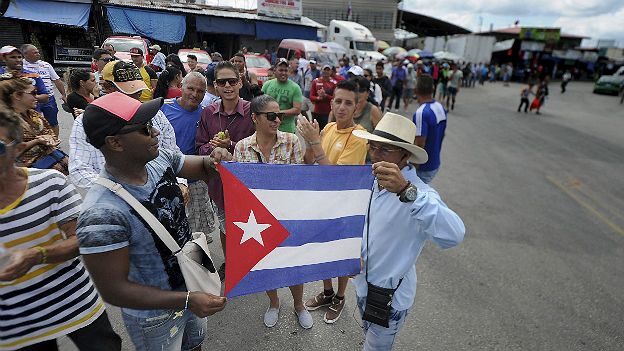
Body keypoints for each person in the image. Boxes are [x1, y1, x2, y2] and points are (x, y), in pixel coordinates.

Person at [75, 92, 229, 351]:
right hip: (155, 318)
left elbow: (202, 167)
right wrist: (187, 300)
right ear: (115, 143)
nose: (156, 132)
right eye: (145, 128)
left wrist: (216, 159)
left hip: (192, 287)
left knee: (195, 346)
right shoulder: (100, 214)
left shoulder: (159, 159)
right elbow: (115, 290)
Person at [0, 109, 122, 350]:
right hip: (16, 326)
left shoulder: (49, 183)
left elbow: (82, 237)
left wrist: (39, 255)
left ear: (18, 148)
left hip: (74, 304)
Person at [350, 111, 465, 350]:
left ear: (405, 155)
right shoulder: (370, 182)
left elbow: (455, 234)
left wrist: (406, 191)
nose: (375, 155)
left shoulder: (420, 194)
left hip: (390, 297)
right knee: (369, 336)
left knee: (375, 347)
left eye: (384, 149)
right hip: (362, 284)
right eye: (373, 147)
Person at [232, 95, 313, 329]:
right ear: (255, 118)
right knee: (266, 265)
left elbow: (298, 179)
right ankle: (274, 303)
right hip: (257, 220)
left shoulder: (291, 141)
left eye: (279, 115)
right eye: (271, 116)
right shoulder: (242, 147)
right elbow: (239, 187)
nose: (277, 119)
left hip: (288, 216)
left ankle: (299, 305)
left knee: (294, 266)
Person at [297, 80, 368, 324]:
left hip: (344, 205)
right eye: (338, 101)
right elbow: (309, 162)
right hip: (321, 202)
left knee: (340, 252)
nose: (342, 107)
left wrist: (315, 143)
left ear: (357, 107)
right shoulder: (326, 129)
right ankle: (327, 292)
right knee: (321, 248)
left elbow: (336, 177)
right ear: (332, 102)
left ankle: (339, 296)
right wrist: (309, 140)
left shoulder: (358, 137)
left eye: (348, 103)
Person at [68, 60, 186, 195]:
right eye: (129, 92)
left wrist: (181, 182)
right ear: (107, 88)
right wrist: (128, 192)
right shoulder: (84, 123)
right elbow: (80, 172)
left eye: (139, 91)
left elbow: (173, 153)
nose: (136, 97)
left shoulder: (157, 116)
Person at [196, 61, 255, 280]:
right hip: (219, 184)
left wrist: (230, 146)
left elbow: (260, 145)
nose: (228, 86)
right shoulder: (208, 113)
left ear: (240, 82)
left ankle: (249, 262)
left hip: (248, 183)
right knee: (225, 226)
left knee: (251, 226)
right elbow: (199, 147)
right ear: (215, 85)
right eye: (222, 82)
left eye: (232, 81)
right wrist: (212, 147)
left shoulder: (252, 111)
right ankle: (230, 262)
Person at [161, 72, 217, 244]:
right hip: (167, 178)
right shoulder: (163, 109)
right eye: (190, 88)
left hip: (196, 179)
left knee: (198, 230)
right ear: (181, 87)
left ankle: (198, 264)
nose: (195, 94)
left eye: (200, 91)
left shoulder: (207, 115)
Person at [0, 73, 68, 174]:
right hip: (24, 172)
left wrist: (50, 139)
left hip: (49, 161)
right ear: (17, 96)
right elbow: (9, 152)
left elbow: (49, 132)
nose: (37, 96)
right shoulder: (5, 122)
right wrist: (37, 141)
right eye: (33, 93)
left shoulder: (34, 114)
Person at [21, 44, 67, 136]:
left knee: (53, 122)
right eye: (35, 53)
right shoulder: (21, 66)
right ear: (25, 54)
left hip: (49, 99)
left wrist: (63, 94)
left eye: (38, 52)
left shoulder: (46, 65)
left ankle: (55, 142)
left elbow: (57, 80)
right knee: (34, 123)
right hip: (30, 101)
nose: (38, 54)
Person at [412, 75, 447, 184]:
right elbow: (442, 134)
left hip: (423, 168)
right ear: (433, 89)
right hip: (434, 163)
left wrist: (413, 169)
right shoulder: (440, 107)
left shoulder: (421, 113)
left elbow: (420, 145)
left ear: (415, 90)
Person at [0, 46, 50, 117]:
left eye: (19, 57)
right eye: (13, 57)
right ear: (4, 59)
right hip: (7, 117)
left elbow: (45, 97)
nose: (18, 60)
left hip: (32, 117)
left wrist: (28, 97)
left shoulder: (33, 75)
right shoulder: (1, 76)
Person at [261, 58, 302, 134]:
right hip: (268, 128)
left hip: (287, 130)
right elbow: (260, 103)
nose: (283, 73)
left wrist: (279, 113)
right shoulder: (267, 84)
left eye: (286, 70)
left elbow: (297, 109)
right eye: (281, 70)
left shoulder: (295, 88)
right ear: (274, 71)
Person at [309, 64, 337, 131]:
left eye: (328, 70)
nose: (326, 72)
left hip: (328, 113)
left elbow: (335, 98)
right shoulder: (315, 81)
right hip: (317, 112)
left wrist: (326, 96)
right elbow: (311, 96)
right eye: (324, 69)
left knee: (326, 132)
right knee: (316, 131)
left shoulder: (334, 83)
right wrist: (319, 98)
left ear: (331, 72)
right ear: (321, 70)